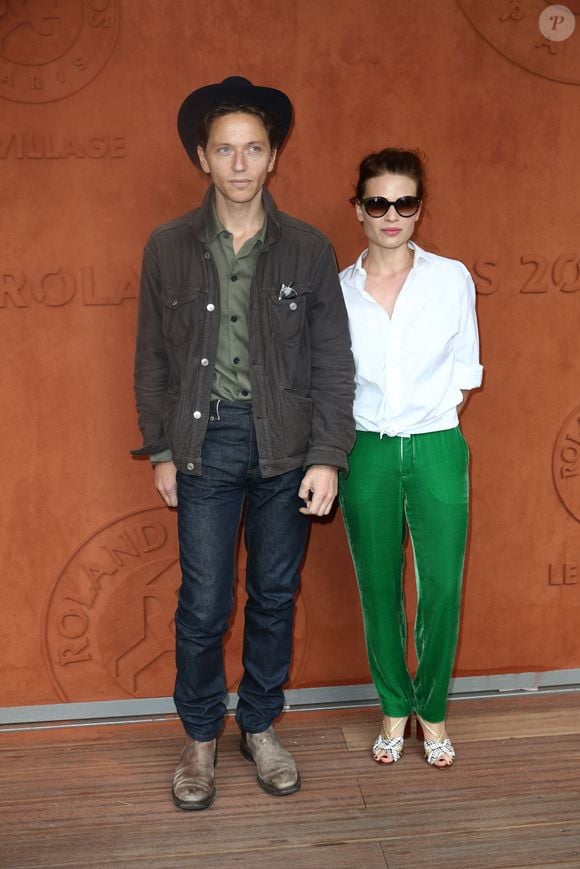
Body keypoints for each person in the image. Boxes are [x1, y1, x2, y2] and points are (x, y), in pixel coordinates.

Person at [132, 77, 355, 809]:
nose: (238, 162)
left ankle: (258, 724)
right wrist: (161, 449)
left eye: (252, 148)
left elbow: (331, 360)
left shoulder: (309, 248)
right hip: (205, 441)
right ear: (203, 156)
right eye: (224, 148)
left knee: (274, 595)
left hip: (286, 445)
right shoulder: (167, 247)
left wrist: (327, 454)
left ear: (273, 157)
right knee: (202, 602)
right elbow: (153, 361)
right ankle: (200, 737)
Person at [339, 148, 482, 769]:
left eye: (405, 202)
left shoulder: (451, 278)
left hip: (437, 447)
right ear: (359, 211)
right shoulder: (338, 290)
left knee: (442, 588)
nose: (391, 214)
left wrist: (429, 420)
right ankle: (394, 705)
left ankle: (434, 711)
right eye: (378, 202)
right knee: (377, 588)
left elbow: (465, 367)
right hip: (364, 451)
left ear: (420, 210)